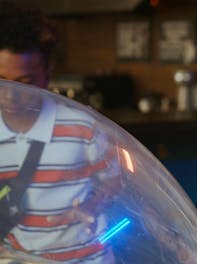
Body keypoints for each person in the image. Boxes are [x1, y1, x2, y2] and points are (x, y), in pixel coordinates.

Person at [0, 1, 121, 262]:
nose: (11, 96)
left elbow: (114, 181)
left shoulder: (83, 126)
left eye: (25, 83)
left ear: (47, 75)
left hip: (87, 258)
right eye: (1, 82)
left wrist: (89, 207)